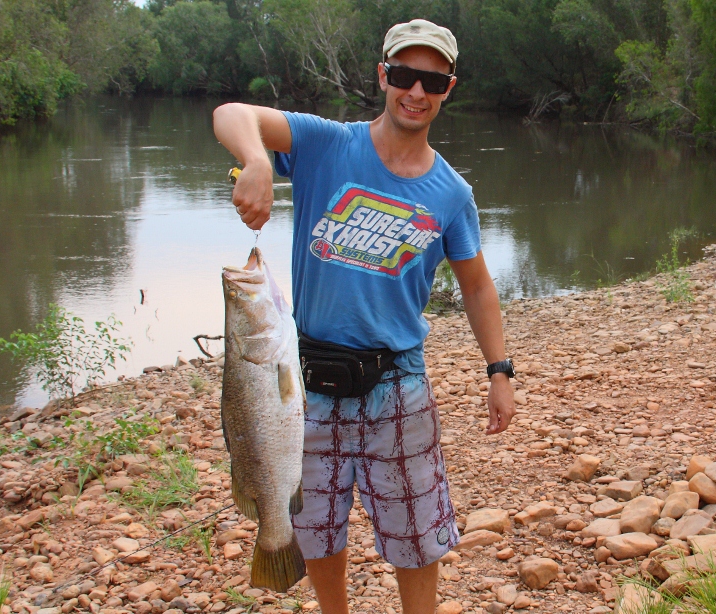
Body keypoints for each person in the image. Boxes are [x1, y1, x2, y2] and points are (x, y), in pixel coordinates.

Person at [213, 18, 516, 614]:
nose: (416, 92)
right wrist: (254, 160)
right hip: (310, 382)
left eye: (432, 81)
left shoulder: (451, 193)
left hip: (399, 384)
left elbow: (477, 287)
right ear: (383, 76)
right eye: (404, 75)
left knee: (416, 537)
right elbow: (231, 113)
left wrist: (499, 370)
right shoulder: (326, 143)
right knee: (317, 525)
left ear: (448, 88)